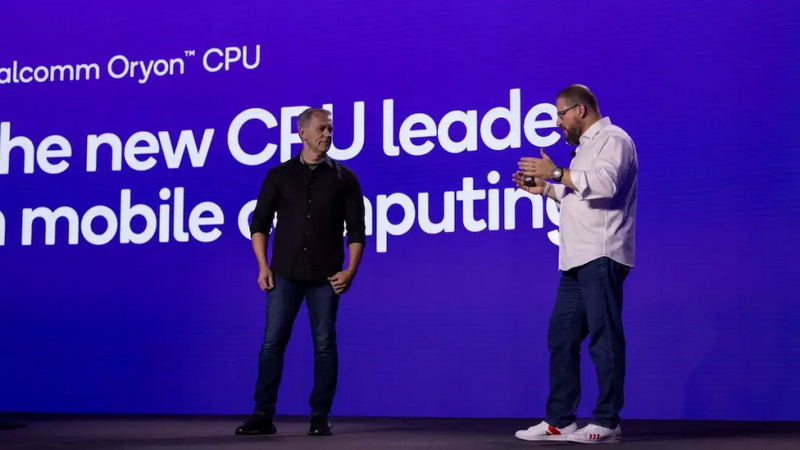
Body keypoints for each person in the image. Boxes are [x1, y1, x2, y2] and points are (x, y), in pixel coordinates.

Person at [512, 85, 638, 444]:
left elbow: (605, 186)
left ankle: (607, 420)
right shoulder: (583, 150)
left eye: (561, 114)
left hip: (602, 254)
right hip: (575, 259)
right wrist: (545, 188)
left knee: (604, 337)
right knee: (561, 335)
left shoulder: (614, 139)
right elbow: (579, 195)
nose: (558, 122)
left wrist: (555, 173)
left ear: (580, 110)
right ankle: (560, 420)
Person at [235, 107, 366, 437]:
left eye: (330, 130)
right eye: (322, 129)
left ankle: (319, 415)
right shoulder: (278, 176)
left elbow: (357, 230)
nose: (328, 135)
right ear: (302, 133)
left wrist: (350, 270)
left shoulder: (345, 179)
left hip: (326, 277)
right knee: (272, 344)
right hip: (284, 274)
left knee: (325, 345)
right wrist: (263, 265)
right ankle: (262, 414)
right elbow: (259, 224)